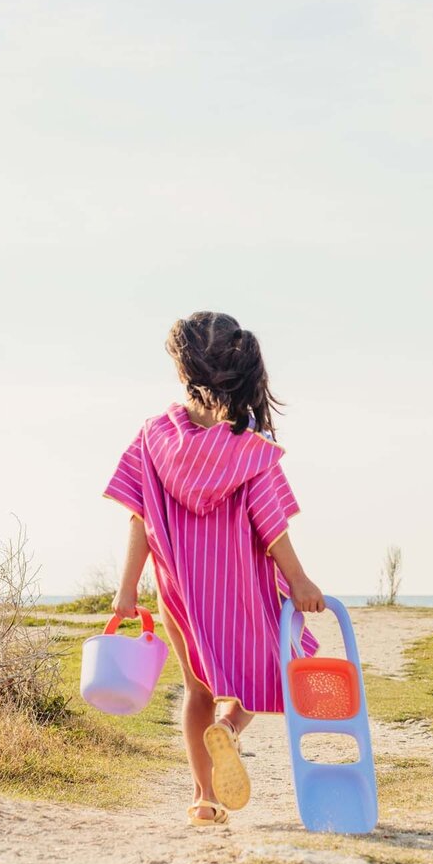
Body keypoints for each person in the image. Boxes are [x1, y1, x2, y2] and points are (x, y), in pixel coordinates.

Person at [104, 312, 325, 827]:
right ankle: (228, 727)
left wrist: (127, 590)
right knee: (272, 669)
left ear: (185, 373)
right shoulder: (250, 450)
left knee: (196, 689)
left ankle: (205, 798)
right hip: (241, 586)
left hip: (179, 586)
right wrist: (299, 581)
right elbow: (272, 528)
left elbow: (138, 517)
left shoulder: (153, 436)